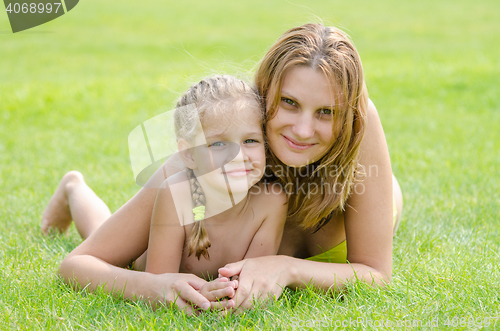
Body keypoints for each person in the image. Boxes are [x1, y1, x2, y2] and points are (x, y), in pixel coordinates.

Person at [45, 23, 403, 313]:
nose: (303, 130)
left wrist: (287, 267)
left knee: (383, 192)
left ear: (348, 115)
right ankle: (74, 188)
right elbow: (83, 262)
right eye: (289, 103)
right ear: (264, 98)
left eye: (326, 112)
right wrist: (150, 287)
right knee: (129, 254)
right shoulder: (215, 156)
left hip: (364, 197)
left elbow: (375, 272)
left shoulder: (360, 125)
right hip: (188, 231)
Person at [43, 75, 287, 312]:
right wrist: (203, 292)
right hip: (138, 260)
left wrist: (223, 291)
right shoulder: (176, 193)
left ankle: (73, 187)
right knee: (103, 239)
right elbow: (159, 283)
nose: (237, 156)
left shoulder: (273, 202)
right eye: (218, 144)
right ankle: (73, 187)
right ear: (189, 154)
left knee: (102, 227)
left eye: (251, 141)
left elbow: (251, 282)